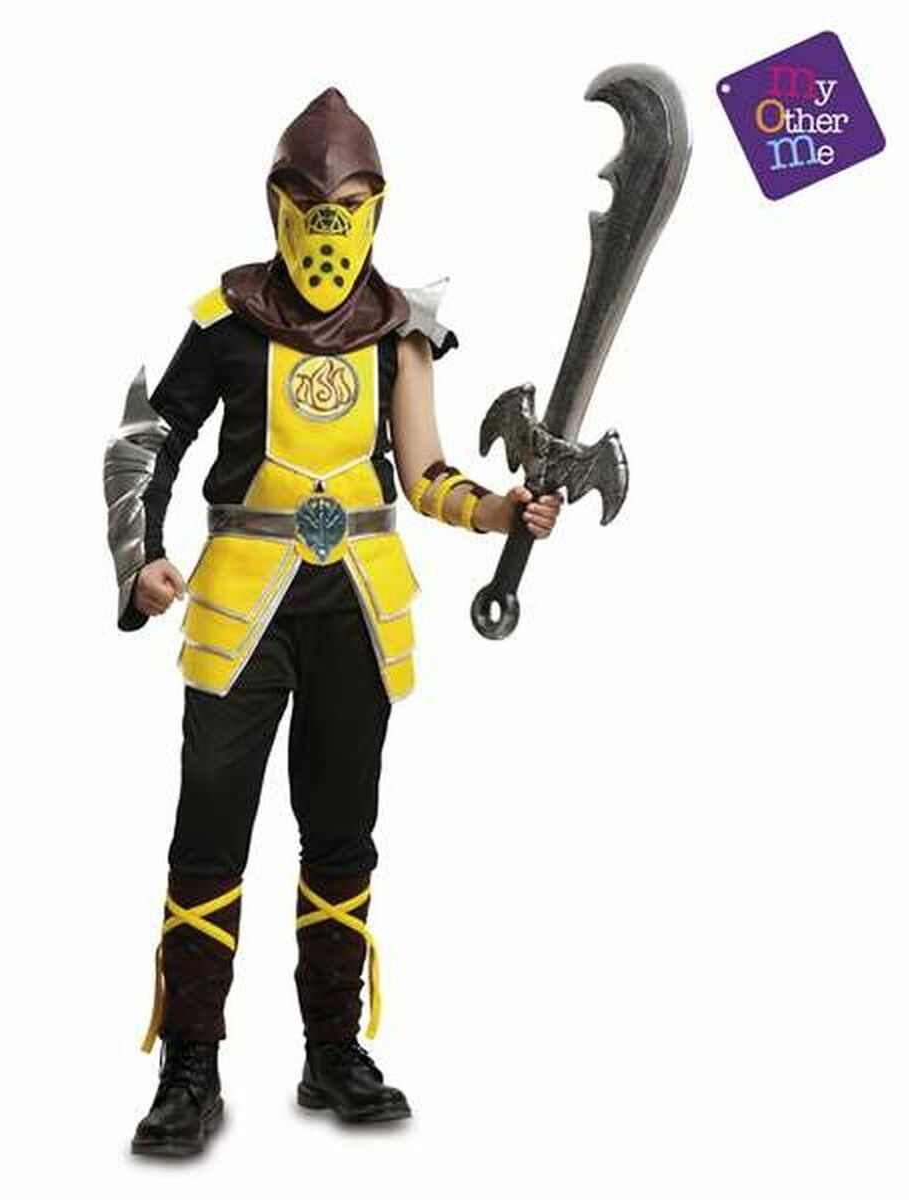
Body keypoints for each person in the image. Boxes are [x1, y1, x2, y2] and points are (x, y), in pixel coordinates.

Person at [104, 87, 561, 1157]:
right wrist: (142, 555)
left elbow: (426, 471)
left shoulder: (401, 329)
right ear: (278, 205)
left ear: (375, 209)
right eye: (312, 206)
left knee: (342, 832)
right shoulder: (225, 321)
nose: (327, 227)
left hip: (357, 602)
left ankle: (332, 1050)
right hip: (240, 605)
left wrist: (498, 512)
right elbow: (145, 439)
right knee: (209, 832)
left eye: (348, 207)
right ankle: (190, 1067)